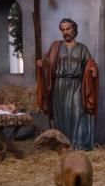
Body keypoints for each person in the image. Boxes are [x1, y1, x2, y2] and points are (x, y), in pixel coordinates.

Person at [36, 19, 98, 150]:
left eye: (68, 29)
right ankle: (62, 145)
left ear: (74, 29)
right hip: (60, 85)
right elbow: (48, 62)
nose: (65, 32)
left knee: (78, 113)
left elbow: (90, 63)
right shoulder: (56, 47)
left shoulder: (82, 48)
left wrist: (92, 68)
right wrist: (42, 64)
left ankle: (79, 145)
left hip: (77, 84)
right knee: (61, 114)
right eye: (63, 30)